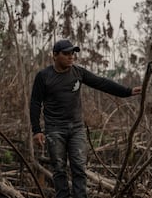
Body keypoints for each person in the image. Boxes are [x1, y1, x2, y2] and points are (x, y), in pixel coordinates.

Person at [29, 39, 142, 198]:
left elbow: (101, 83)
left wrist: (128, 91)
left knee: (79, 168)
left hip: (77, 129)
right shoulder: (43, 76)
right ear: (55, 55)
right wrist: (36, 130)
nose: (71, 56)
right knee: (59, 169)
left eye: (73, 53)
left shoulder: (78, 72)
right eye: (66, 53)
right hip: (55, 129)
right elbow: (35, 102)